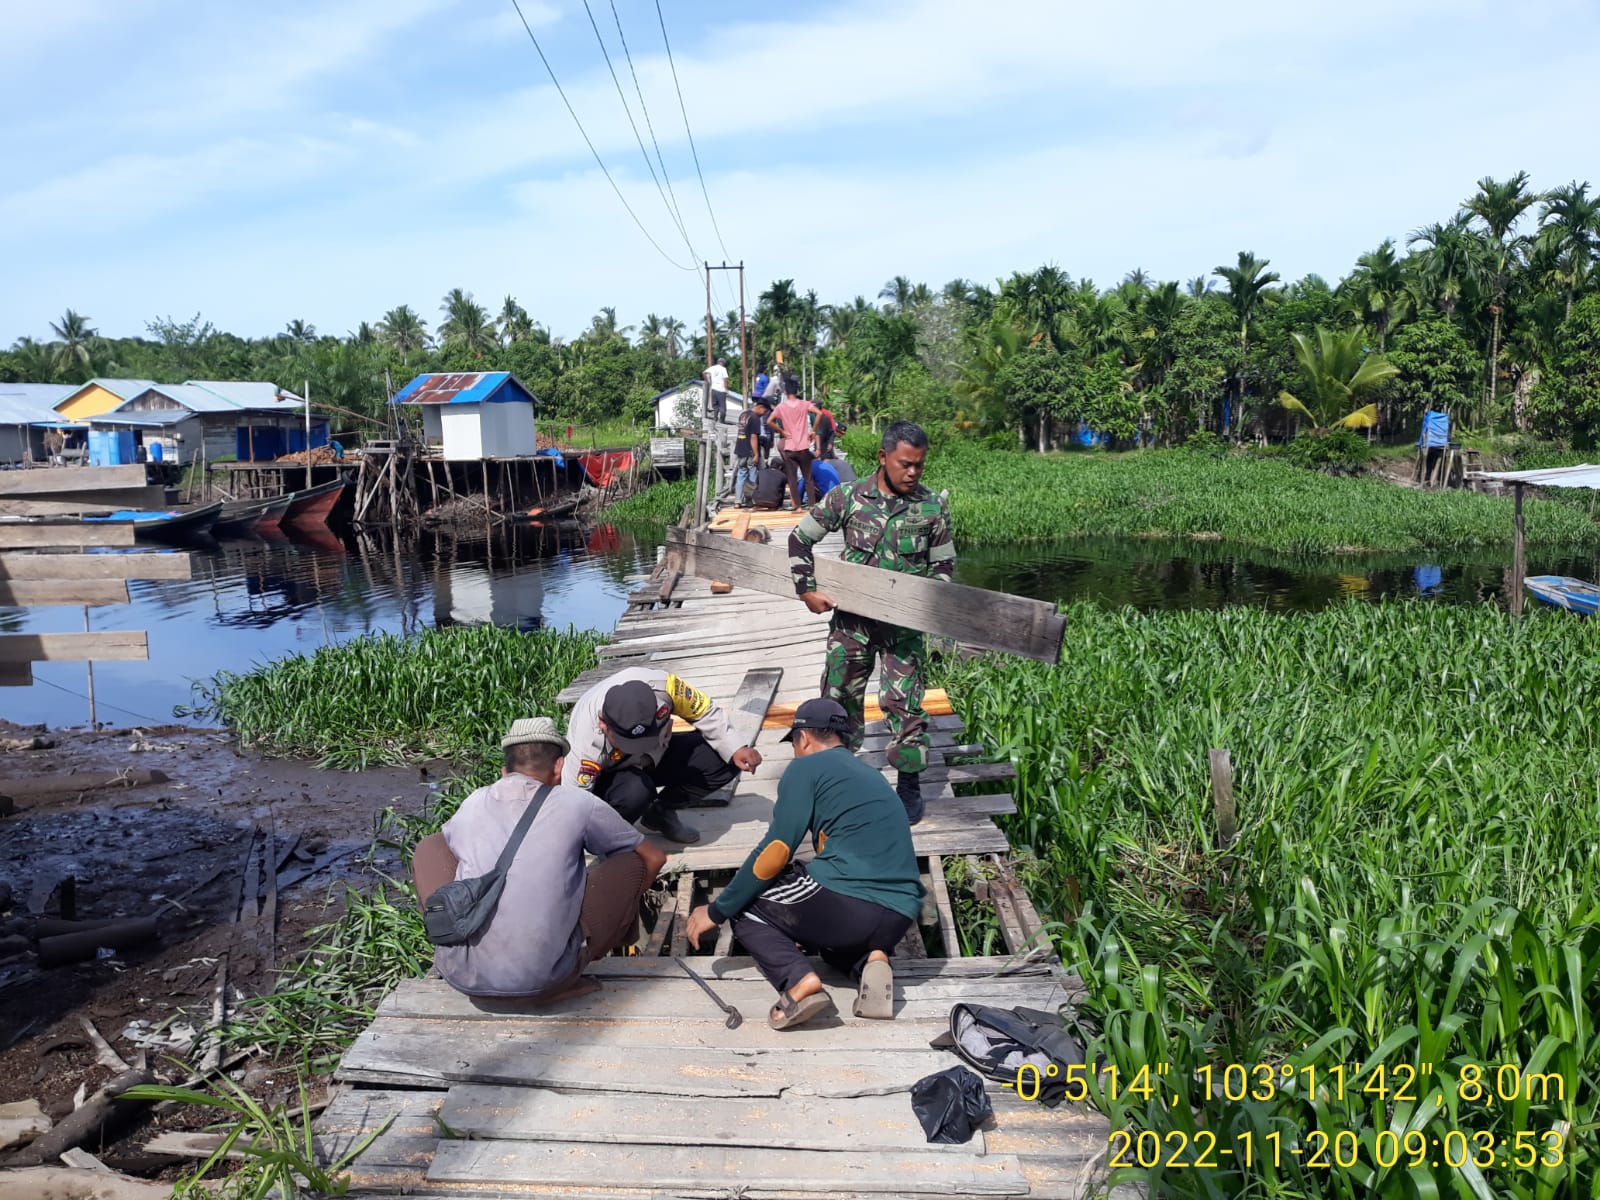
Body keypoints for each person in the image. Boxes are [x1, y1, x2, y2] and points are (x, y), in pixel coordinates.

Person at [684, 699, 924, 1030]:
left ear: (805, 737)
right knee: (827, 945)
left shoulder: (805, 768)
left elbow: (776, 850)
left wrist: (716, 910)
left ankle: (800, 984)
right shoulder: (871, 775)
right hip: (899, 914)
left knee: (748, 910)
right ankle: (869, 962)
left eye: (795, 743)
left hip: (850, 900)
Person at [415, 717, 667, 1003]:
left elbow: (450, 852)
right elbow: (654, 858)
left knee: (429, 846)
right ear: (559, 766)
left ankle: (454, 941)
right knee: (632, 862)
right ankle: (578, 967)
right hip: (547, 980)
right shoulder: (578, 803)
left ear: (503, 771)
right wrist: (619, 912)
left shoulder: (473, 801)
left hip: (461, 976)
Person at [787, 421, 953, 823]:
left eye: (919, 466)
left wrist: (929, 600)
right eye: (905, 464)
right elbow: (799, 538)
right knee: (838, 703)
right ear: (883, 458)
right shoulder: (847, 498)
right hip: (852, 625)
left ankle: (909, 786)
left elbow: (944, 567)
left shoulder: (932, 507)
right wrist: (806, 590)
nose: (913, 473)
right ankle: (838, 781)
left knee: (907, 706)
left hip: (903, 629)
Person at [563, 667, 762, 845]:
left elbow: (704, 711)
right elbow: (576, 804)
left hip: (654, 753)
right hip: (612, 775)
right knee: (636, 792)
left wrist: (737, 747)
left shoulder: (665, 688)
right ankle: (613, 840)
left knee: (723, 759)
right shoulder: (584, 744)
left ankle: (660, 812)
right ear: (603, 725)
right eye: (625, 741)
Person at [771, 378, 820, 511]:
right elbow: (819, 413)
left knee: (792, 478)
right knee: (808, 478)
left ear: (785, 392)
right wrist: (813, 431)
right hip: (803, 447)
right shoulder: (804, 404)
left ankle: (797, 506)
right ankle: (811, 505)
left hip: (790, 447)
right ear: (797, 391)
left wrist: (782, 431)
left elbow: (770, 421)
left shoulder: (781, 407)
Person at [734, 396, 767, 507]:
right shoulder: (755, 418)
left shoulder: (743, 415)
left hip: (740, 449)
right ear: (760, 407)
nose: (764, 414)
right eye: (764, 411)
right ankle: (751, 500)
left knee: (741, 475)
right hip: (749, 451)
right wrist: (756, 454)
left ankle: (737, 501)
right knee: (753, 476)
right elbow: (753, 437)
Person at [705, 357, 730, 423]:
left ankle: (715, 418)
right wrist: (726, 389)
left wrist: (707, 381)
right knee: (722, 407)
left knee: (715, 406)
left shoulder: (712, 368)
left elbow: (704, 373)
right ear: (722, 363)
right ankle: (722, 421)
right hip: (721, 390)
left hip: (713, 389)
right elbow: (725, 380)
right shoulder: (723, 369)